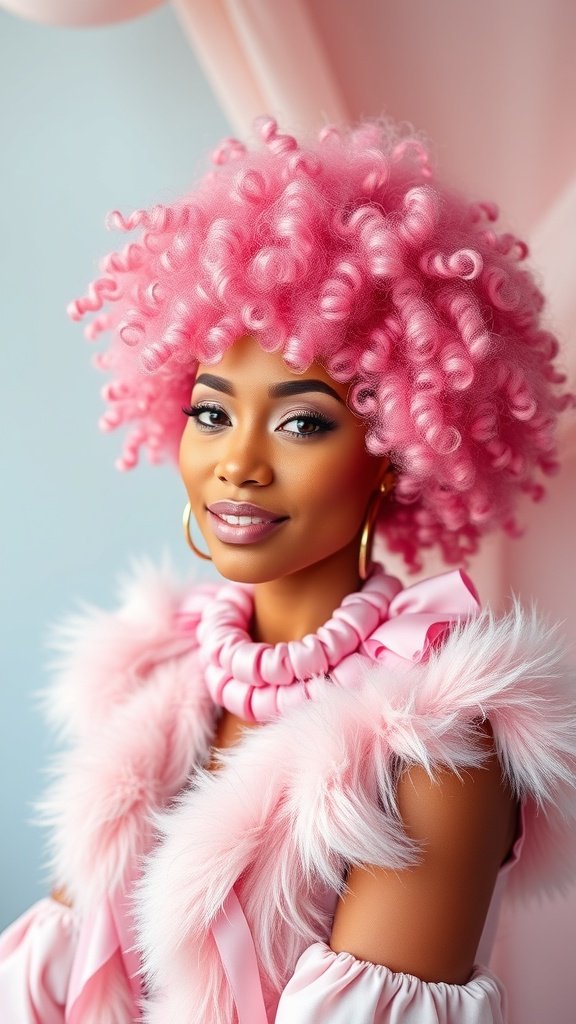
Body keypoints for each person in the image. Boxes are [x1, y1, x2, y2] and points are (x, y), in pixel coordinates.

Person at [1, 116, 575, 1024]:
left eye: (304, 422)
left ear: (399, 446)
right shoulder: (150, 680)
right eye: (212, 413)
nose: (239, 464)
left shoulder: (433, 747)